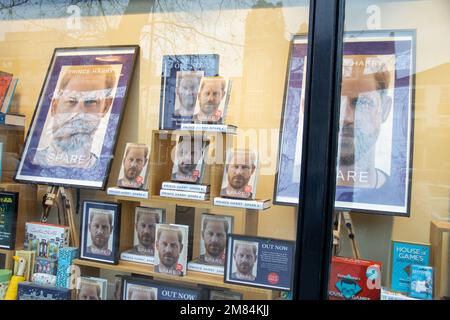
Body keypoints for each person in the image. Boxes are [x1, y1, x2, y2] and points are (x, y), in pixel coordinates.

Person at [33, 65, 116, 169]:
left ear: (106, 107)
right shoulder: (30, 164)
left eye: (91, 102)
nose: (78, 114)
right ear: (54, 106)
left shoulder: (103, 172)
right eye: (71, 101)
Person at [337, 56, 393, 189]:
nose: (347, 118)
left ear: (384, 110)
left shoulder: (394, 196)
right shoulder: (296, 186)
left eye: (363, 102)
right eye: (336, 103)